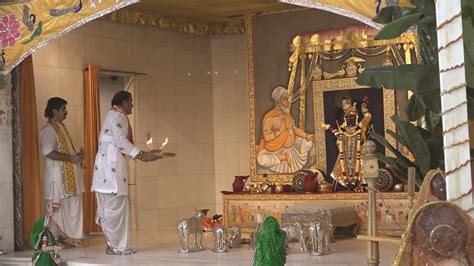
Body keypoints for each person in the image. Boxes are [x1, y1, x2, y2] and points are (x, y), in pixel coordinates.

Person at [91, 91, 161, 255]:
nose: (132, 105)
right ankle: (117, 247)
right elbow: (121, 143)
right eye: (131, 102)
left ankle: (112, 245)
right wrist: (143, 155)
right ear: (124, 102)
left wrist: (144, 155)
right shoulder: (119, 116)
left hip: (105, 173)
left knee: (110, 211)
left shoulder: (112, 115)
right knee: (116, 211)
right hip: (111, 175)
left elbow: (118, 144)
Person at [39, 97, 84, 247]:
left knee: (73, 208)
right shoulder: (48, 130)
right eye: (63, 109)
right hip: (57, 180)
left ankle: (70, 238)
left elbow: (64, 152)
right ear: (55, 111)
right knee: (59, 210)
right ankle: (57, 240)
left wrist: (77, 156)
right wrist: (72, 158)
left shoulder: (61, 127)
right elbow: (48, 152)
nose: (66, 112)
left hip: (70, 180)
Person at [256, 86, 315, 174]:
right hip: (276, 149)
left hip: (293, 147)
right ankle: (282, 158)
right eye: (285, 99)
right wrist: (278, 133)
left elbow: (294, 129)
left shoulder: (288, 116)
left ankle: (299, 153)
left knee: (309, 143)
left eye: (288, 99)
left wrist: (306, 136)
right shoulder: (269, 117)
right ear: (278, 101)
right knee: (261, 159)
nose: (288, 102)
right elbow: (266, 137)